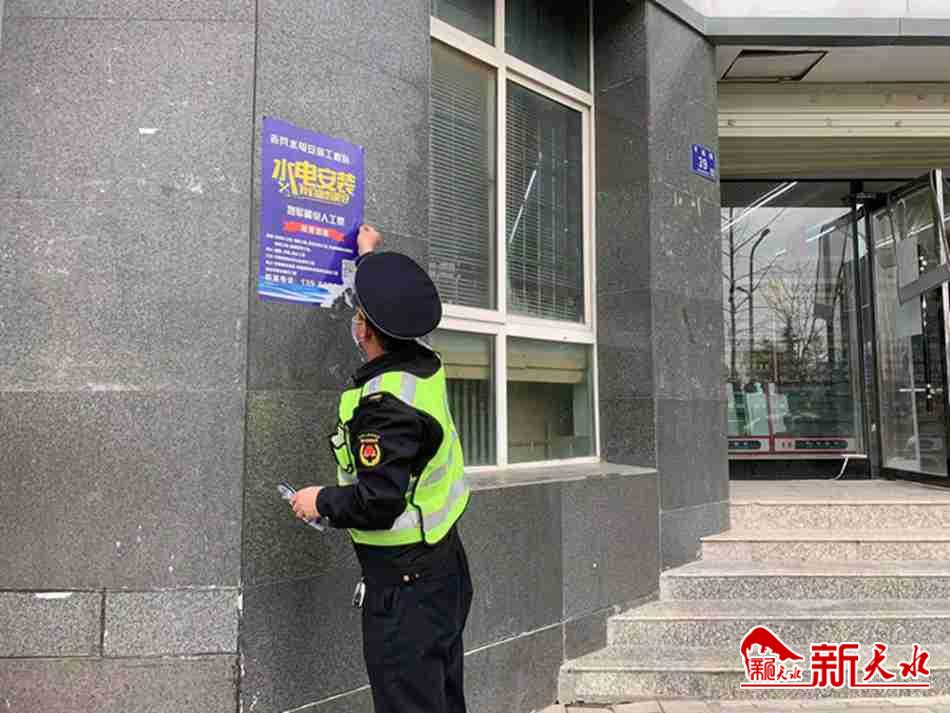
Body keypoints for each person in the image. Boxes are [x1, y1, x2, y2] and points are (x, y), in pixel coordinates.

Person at [291, 224, 473, 713]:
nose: (355, 321)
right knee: (441, 697)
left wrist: (319, 500)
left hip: (406, 590)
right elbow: (393, 301)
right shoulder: (424, 363)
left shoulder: (384, 405)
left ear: (367, 330)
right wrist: (367, 257)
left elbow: (379, 502)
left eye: (359, 315)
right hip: (444, 569)